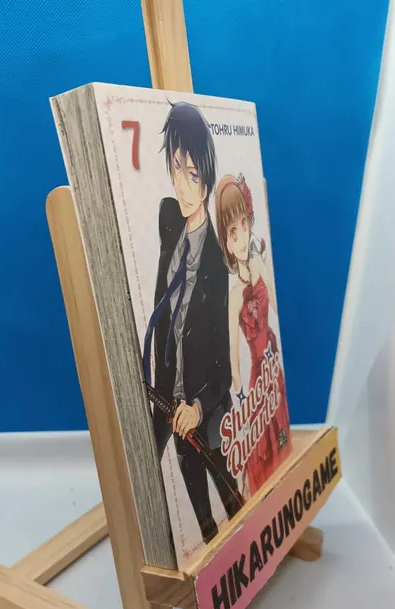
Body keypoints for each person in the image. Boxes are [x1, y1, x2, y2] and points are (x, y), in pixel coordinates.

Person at [142, 102, 241, 544]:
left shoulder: (217, 265)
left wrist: (197, 408)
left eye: (194, 175)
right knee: (198, 518)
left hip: (203, 412)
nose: (183, 186)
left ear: (208, 174)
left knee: (230, 500)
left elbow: (223, 366)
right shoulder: (169, 219)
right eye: (176, 170)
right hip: (166, 397)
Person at [215, 173, 290, 497]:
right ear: (226, 241)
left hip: (272, 358)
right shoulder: (234, 295)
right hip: (257, 369)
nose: (242, 237)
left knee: (280, 426)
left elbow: (276, 305)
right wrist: (240, 391)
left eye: (244, 225)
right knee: (261, 441)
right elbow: (233, 353)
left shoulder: (258, 265)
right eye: (233, 232)